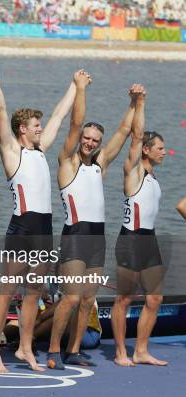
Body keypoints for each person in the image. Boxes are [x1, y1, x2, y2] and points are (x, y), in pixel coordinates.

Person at [47, 78, 145, 369]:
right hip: (75, 237)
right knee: (72, 298)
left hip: (97, 238)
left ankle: (74, 350)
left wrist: (134, 102)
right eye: (86, 138)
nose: (89, 142)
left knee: (89, 300)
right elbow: (75, 123)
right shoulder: (68, 161)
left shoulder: (99, 165)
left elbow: (125, 131)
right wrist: (81, 89)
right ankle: (54, 351)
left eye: (94, 141)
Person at [0, 70, 78, 373]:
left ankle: (26, 348)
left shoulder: (40, 150)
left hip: (44, 229)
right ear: (22, 129)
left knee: (34, 291)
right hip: (22, 228)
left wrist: (74, 86)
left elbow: (59, 116)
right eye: (35, 126)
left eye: (40, 125)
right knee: (7, 288)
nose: (41, 129)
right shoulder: (12, 151)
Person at [112, 91, 168, 367]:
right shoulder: (134, 172)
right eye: (159, 147)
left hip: (149, 240)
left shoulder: (155, 179)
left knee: (155, 298)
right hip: (131, 240)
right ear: (146, 149)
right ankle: (121, 351)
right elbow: (136, 136)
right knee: (124, 298)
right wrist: (139, 103)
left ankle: (141, 351)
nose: (164, 151)